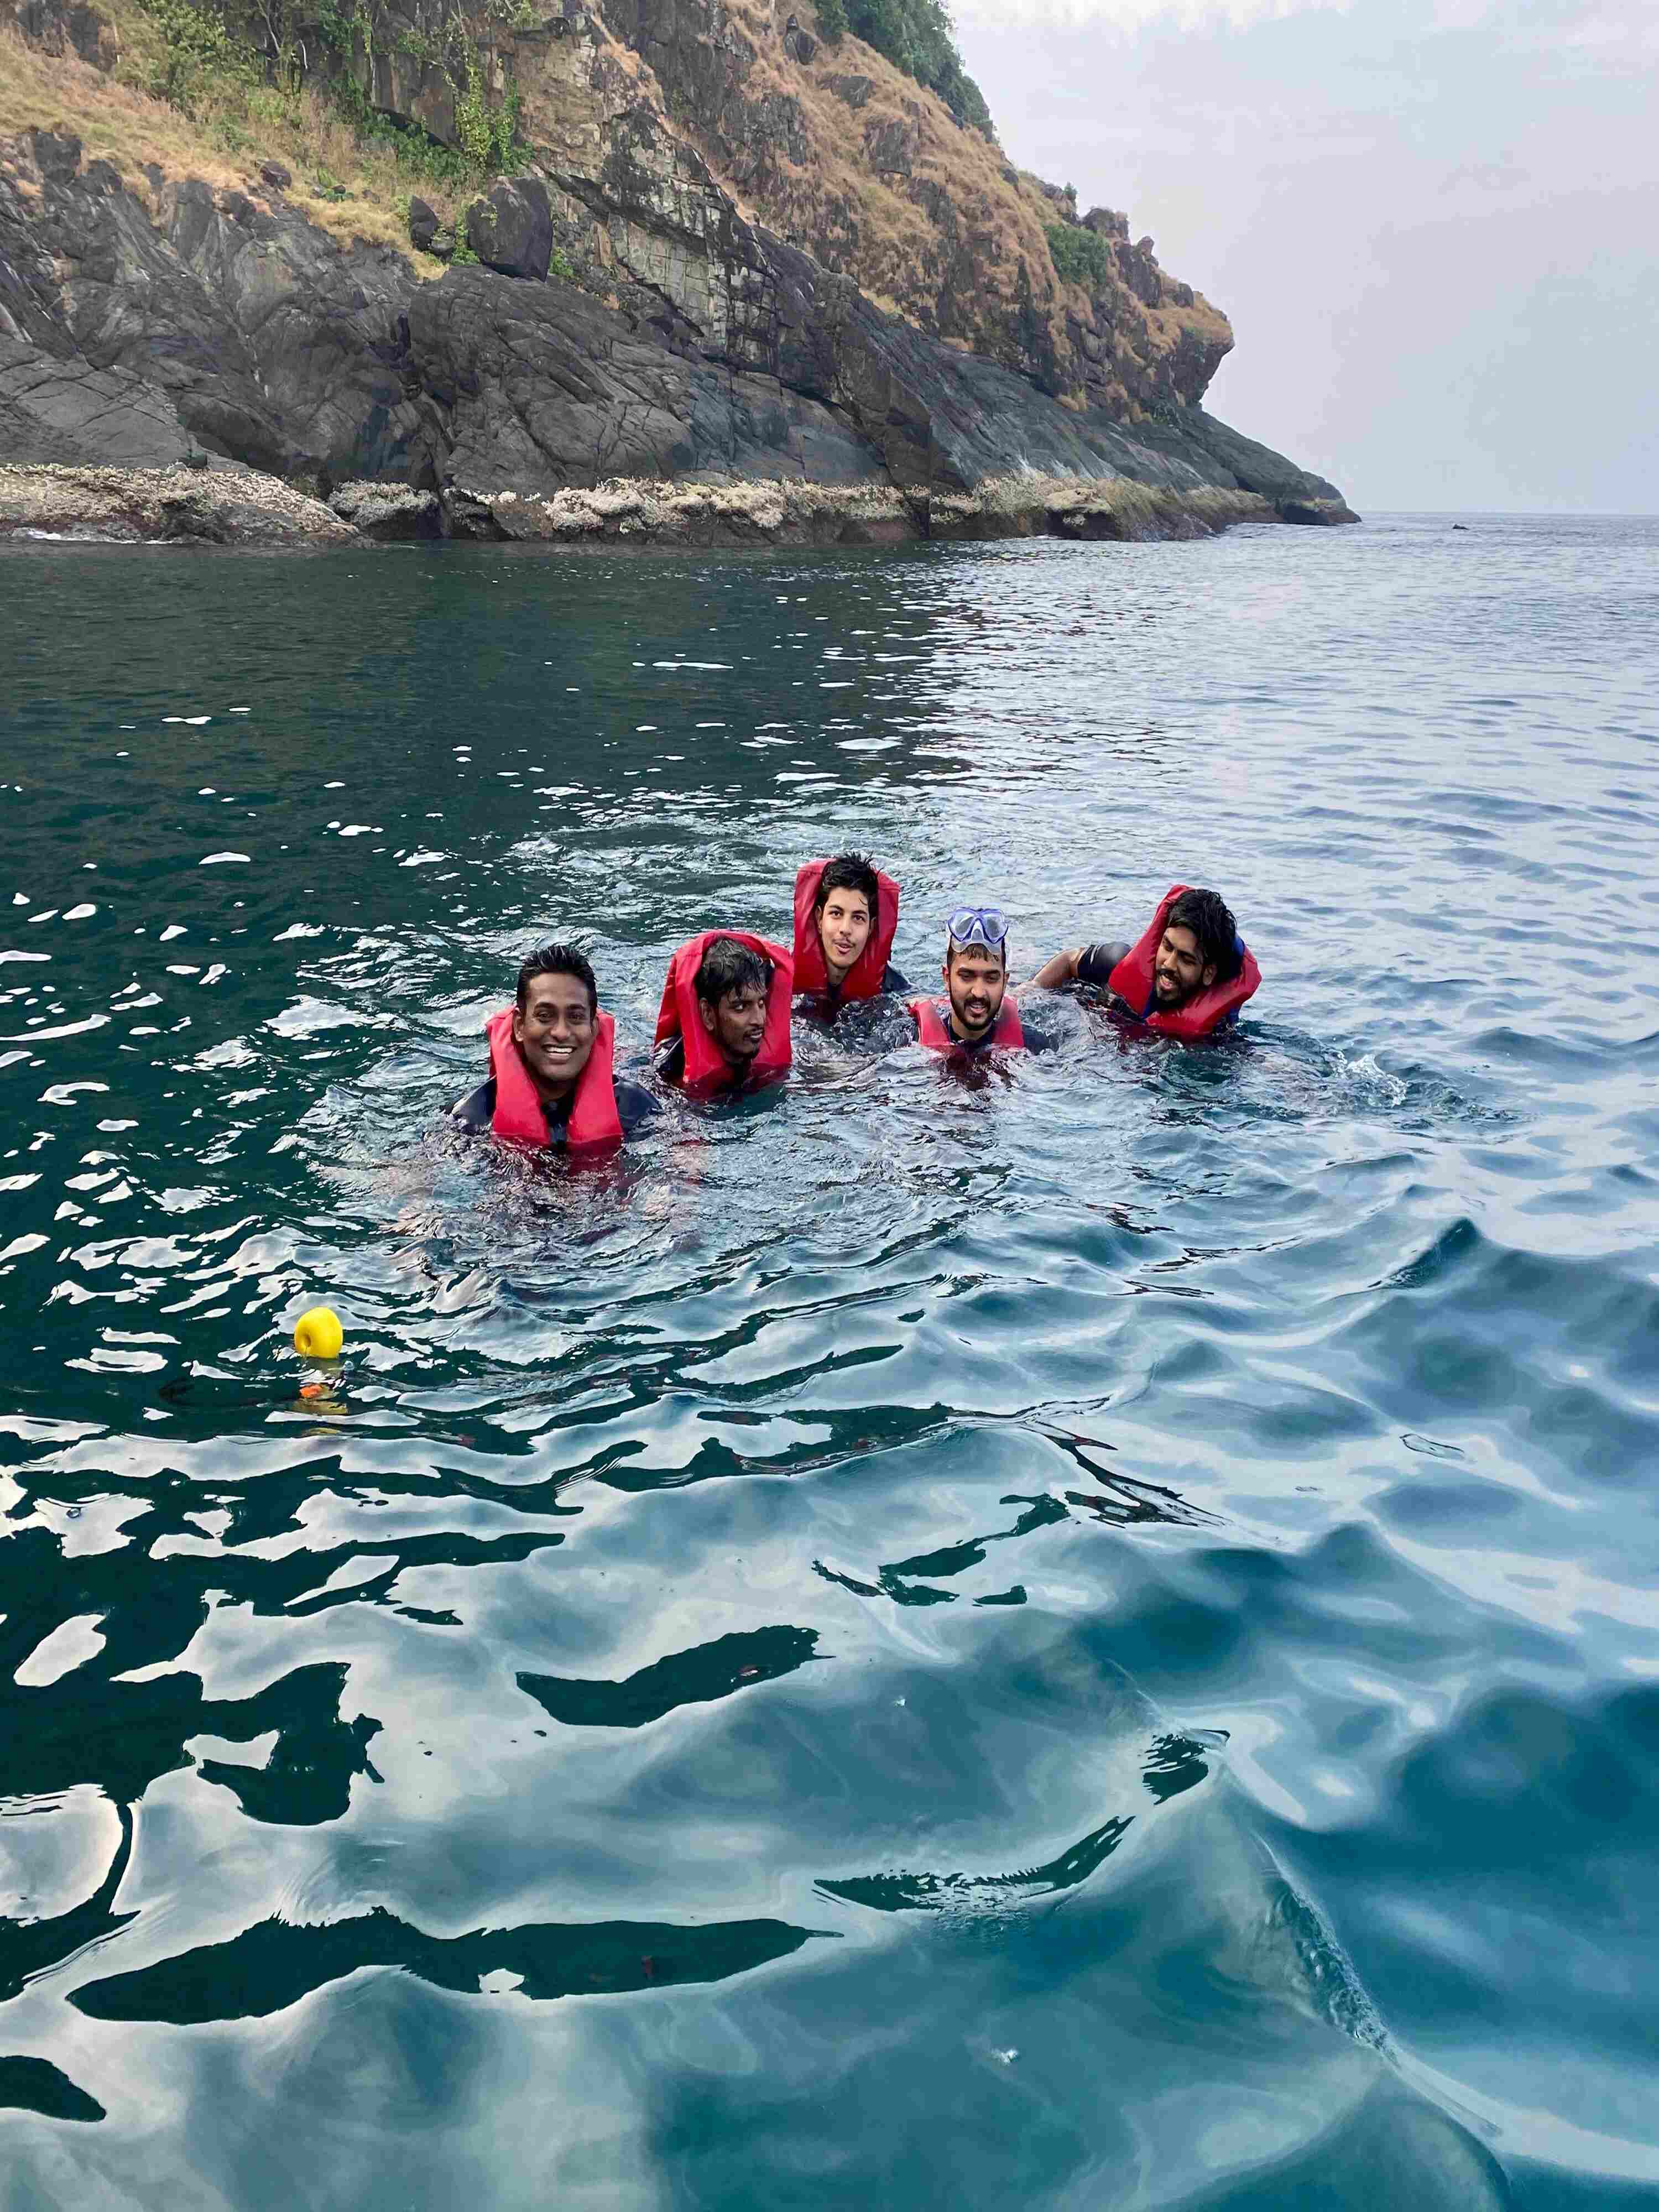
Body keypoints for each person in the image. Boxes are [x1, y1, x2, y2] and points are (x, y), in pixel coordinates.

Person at [452, 942, 659, 1147]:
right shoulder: (470, 1120)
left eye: (576, 1017)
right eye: (544, 1016)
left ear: (594, 1028)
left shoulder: (637, 1109)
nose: (561, 1032)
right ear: (519, 1026)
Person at [1029, 884, 1260, 1039]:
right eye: (1167, 947)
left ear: (1208, 973)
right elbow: (1070, 960)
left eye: (1186, 959)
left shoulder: (1215, 1033)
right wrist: (1029, 990)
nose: (1169, 964)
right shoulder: (1117, 962)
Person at [655, 930, 794, 1091]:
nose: (759, 1020)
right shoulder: (668, 1075)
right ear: (708, 1014)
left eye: (761, 1003)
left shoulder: (779, 1055)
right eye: (741, 1007)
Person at [908, 906, 1032, 1055]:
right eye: (966, 977)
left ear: (1005, 983)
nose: (978, 993)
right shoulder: (907, 1042)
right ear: (947, 979)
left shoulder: (1033, 1047)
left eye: (991, 979)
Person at [792, 854, 910, 1005]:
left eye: (858, 918)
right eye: (836, 914)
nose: (846, 929)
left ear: (871, 928)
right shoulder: (778, 975)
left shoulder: (896, 989)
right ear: (820, 919)